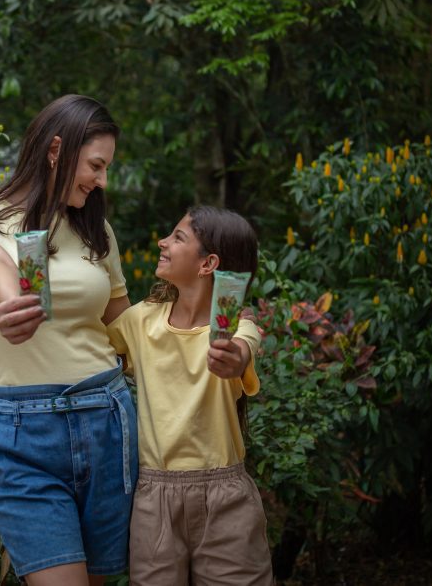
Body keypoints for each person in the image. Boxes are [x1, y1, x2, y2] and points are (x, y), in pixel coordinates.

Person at [0, 94, 135, 585]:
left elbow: (127, 329)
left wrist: (202, 334)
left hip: (107, 421)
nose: (101, 181)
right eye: (96, 166)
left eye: (106, 169)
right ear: (55, 150)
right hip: (20, 435)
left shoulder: (96, 231)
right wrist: (15, 306)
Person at [106, 206, 275, 585]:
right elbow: (90, 347)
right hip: (154, 499)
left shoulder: (238, 329)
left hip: (226, 499)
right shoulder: (141, 320)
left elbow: (242, 350)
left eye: (178, 238)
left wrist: (232, 359)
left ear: (207, 264)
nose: (162, 242)